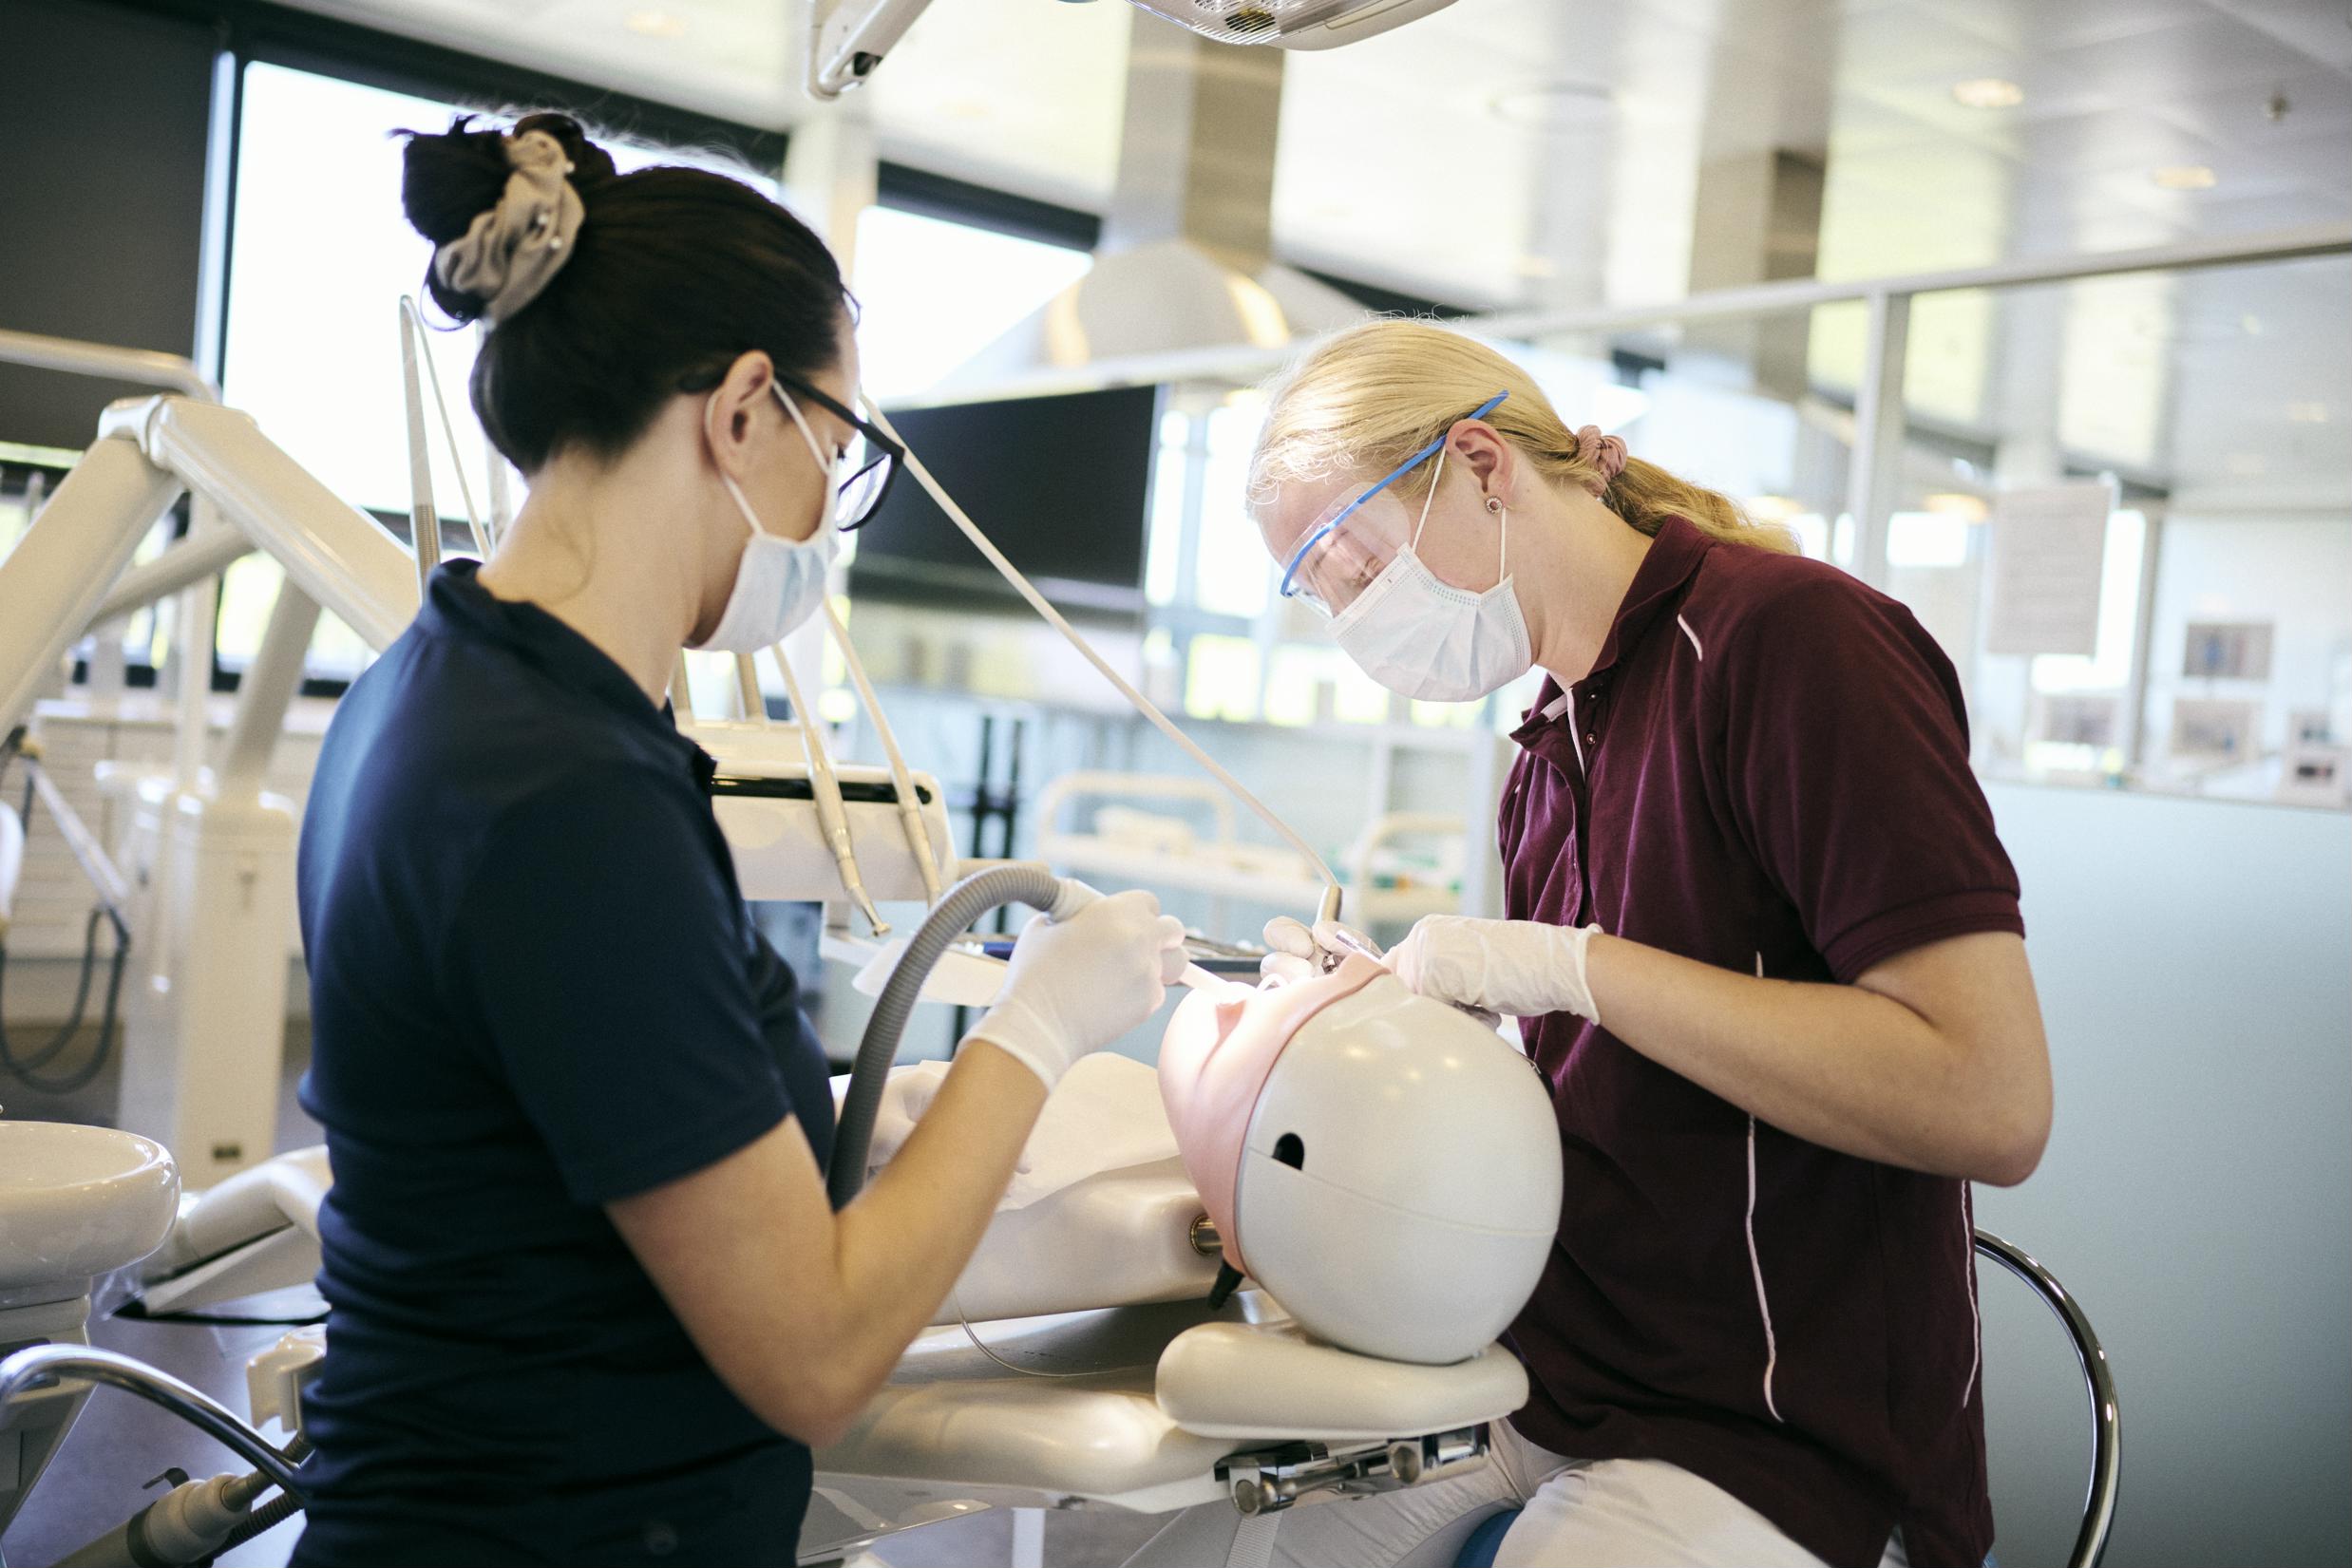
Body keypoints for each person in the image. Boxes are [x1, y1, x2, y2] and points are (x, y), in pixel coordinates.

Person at [289, 113, 1185, 1566]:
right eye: (842, 450)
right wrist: (1042, 1026)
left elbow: (580, 1120)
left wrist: (852, 1121)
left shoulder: (441, 687)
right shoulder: (561, 796)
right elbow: (816, 1354)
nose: (830, 512)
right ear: (747, 409)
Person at [1124, 320, 2051, 1568]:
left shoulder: (1794, 647)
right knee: (1169, 1532)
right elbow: (1601, 1092)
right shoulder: (1548, 744)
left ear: (1481, 464)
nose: (1354, 621)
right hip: (1550, 1363)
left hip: (1776, 1425)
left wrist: (1574, 969)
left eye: (1354, 569)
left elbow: (1989, 1100)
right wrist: (1384, 1037)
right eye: (1325, 597)